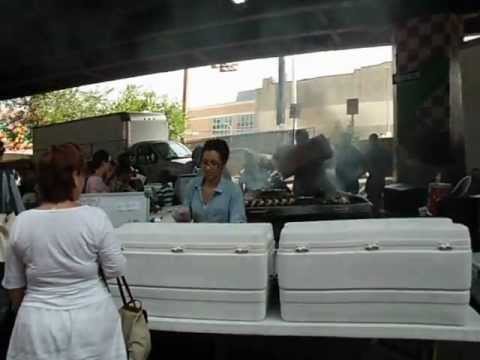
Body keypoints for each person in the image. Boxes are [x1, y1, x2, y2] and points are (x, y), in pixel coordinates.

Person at [2, 143, 127, 360]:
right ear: (75, 176)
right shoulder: (94, 218)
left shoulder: (23, 223)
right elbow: (116, 268)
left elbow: (14, 287)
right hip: (92, 320)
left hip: (38, 323)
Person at [183, 139, 246, 223]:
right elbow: (184, 214)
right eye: (205, 163)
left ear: (223, 165)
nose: (208, 168)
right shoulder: (193, 186)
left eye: (214, 163)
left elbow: (237, 224)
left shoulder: (233, 191)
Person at [292, 130, 335, 197]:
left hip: (315, 188)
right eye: (298, 139)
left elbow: (329, 157)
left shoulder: (314, 149)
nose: (299, 141)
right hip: (302, 189)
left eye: (302, 138)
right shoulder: (296, 152)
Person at [365, 134, 391, 216]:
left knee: (372, 197)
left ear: (371, 141)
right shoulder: (384, 151)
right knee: (378, 196)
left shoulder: (370, 152)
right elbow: (389, 163)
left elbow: (367, 165)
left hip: (373, 177)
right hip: (381, 177)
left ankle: (374, 213)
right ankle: (378, 212)